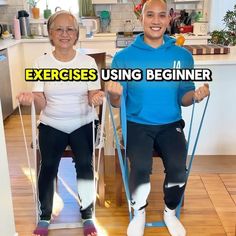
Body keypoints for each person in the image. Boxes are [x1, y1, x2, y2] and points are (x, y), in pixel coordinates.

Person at [107, 1, 210, 236]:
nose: (156, 20)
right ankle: (139, 212)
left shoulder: (182, 57)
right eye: (150, 15)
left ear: (169, 19)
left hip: (170, 123)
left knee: (177, 167)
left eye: (161, 15)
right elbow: (116, 102)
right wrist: (114, 95)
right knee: (141, 167)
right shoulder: (124, 57)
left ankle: (170, 211)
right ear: (140, 19)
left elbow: (183, 97)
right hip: (136, 123)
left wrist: (194, 96)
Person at [17, 10, 104, 236]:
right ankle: (44, 216)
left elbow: (93, 92)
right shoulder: (41, 63)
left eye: (70, 29)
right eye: (59, 29)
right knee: (48, 166)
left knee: (85, 164)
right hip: (52, 122)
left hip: (82, 121)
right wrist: (30, 99)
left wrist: (95, 97)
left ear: (76, 34)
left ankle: (87, 215)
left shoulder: (87, 62)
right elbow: (41, 101)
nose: (65, 34)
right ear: (50, 34)